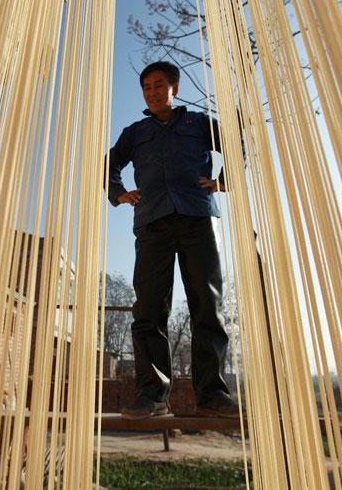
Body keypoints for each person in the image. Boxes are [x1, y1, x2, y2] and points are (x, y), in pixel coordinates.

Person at [107, 61, 242, 420]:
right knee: (149, 308)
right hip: (153, 224)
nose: (152, 92)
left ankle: (212, 394)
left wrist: (222, 181)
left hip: (197, 218)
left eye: (159, 85)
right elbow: (111, 164)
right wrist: (118, 192)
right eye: (146, 87)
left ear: (174, 89)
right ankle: (152, 395)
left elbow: (235, 141)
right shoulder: (134, 132)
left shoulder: (198, 124)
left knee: (207, 305)